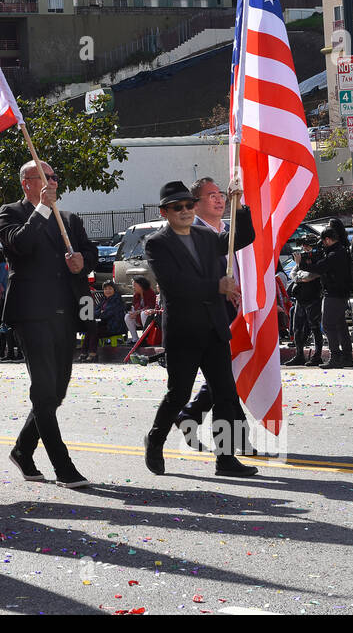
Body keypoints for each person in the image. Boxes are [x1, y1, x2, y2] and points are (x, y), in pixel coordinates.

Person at [144, 178, 257, 477]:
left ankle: (226, 459)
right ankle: (155, 439)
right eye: (177, 207)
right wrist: (216, 286)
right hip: (184, 331)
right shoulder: (156, 243)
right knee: (178, 394)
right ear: (164, 211)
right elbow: (174, 285)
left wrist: (239, 203)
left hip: (214, 327)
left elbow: (242, 237)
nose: (184, 210)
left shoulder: (206, 236)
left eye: (189, 205)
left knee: (224, 393)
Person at [0, 159, 99, 489]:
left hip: (66, 312)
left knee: (56, 392)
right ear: (27, 182)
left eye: (54, 177)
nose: (52, 182)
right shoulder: (11, 212)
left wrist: (82, 261)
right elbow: (19, 245)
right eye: (45, 177)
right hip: (32, 312)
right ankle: (63, 465)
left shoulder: (70, 218)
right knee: (43, 389)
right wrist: (41, 208)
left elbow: (89, 253)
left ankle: (22, 450)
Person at [310, 224, 353, 368]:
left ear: (328, 240)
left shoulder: (335, 254)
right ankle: (347, 357)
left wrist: (302, 264)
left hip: (334, 294)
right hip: (341, 293)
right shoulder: (342, 251)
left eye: (323, 242)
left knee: (328, 325)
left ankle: (335, 357)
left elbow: (320, 267)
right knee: (341, 325)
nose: (322, 245)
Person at [285, 237, 324, 366]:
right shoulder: (301, 260)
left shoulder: (318, 257)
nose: (304, 249)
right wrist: (300, 275)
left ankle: (317, 355)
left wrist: (300, 276)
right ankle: (299, 354)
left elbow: (311, 275)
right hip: (300, 298)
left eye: (306, 246)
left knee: (314, 328)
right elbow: (293, 273)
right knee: (297, 328)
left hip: (313, 297)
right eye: (303, 246)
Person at [84, 280, 127, 360]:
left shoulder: (117, 300)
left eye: (110, 288)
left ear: (114, 289)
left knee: (94, 330)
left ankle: (92, 354)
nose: (107, 291)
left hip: (114, 326)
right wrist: (100, 312)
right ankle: (84, 353)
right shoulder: (104, 300)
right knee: (90, 329)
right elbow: (95, 311)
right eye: (105, 289)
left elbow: (107, 314)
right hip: (105, 325)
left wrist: (101, 312)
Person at [125, 276, 159, 342]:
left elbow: (150, 306)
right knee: (127, 316)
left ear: (141, 285)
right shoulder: (136, 295)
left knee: (144, 313)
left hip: (151, 317)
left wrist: (137, 312)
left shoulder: (150, 292)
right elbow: (135, 306)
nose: (133, 287)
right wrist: (132, 312)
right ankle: (135, 339)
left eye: (134, 285)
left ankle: (146, 338)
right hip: (139, 318)